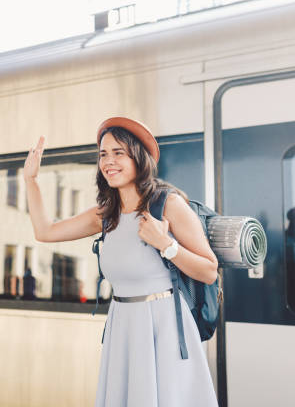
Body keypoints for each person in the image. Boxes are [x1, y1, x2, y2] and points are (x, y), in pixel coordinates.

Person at [24, 117, 219, 406]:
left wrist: (166, 244)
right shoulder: (105, 214)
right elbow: (46, 231)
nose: (108, 162)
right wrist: (31, 180)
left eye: (118, 153)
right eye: (103, 154)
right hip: (123, 323)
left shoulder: (169, 205)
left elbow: (209, 271)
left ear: (139, 159)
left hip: (163, 328)